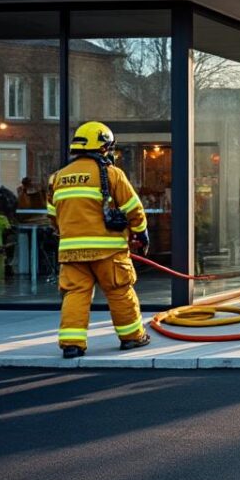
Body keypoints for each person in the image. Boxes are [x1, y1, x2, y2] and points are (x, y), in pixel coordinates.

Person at [49, 121, 151, 358]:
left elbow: (53, 217)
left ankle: (72, 344)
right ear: (103, 147)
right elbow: (133, 209)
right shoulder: (112, 174)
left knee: (75, 294)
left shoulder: (57, 178)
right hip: (109, 252)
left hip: (71, 253)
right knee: (119, 291)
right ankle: (132, 338)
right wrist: (142, 233)